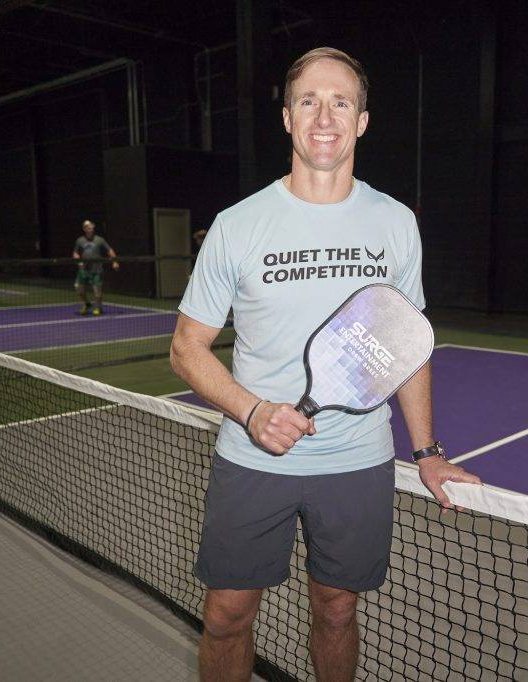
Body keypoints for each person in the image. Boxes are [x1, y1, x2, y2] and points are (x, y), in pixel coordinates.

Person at [169, 47, 481, 682]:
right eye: (308, 101)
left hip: (356, 463)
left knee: (336, 610)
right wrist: (252, 412)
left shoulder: (396, 223)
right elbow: (186, 347)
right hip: (253, 461)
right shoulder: (237, 225)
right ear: (287, 117)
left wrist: (427, 452)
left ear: (361, 121)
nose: (324, 116)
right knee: (227, 616)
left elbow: (404, 344)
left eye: (341, 102)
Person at [72, 219, 118, 316]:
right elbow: (75, 253)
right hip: (83, 269)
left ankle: (98, 307)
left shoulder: (100, 240)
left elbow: (109, 250)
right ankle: (87, 304)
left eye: (91, 225)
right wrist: (78, 261)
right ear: (84, 229)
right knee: (78, 287)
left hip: (96, 269)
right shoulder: (79, 240)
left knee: (97, 291)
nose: (90, 227)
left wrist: (114, 261)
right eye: (87, 226)